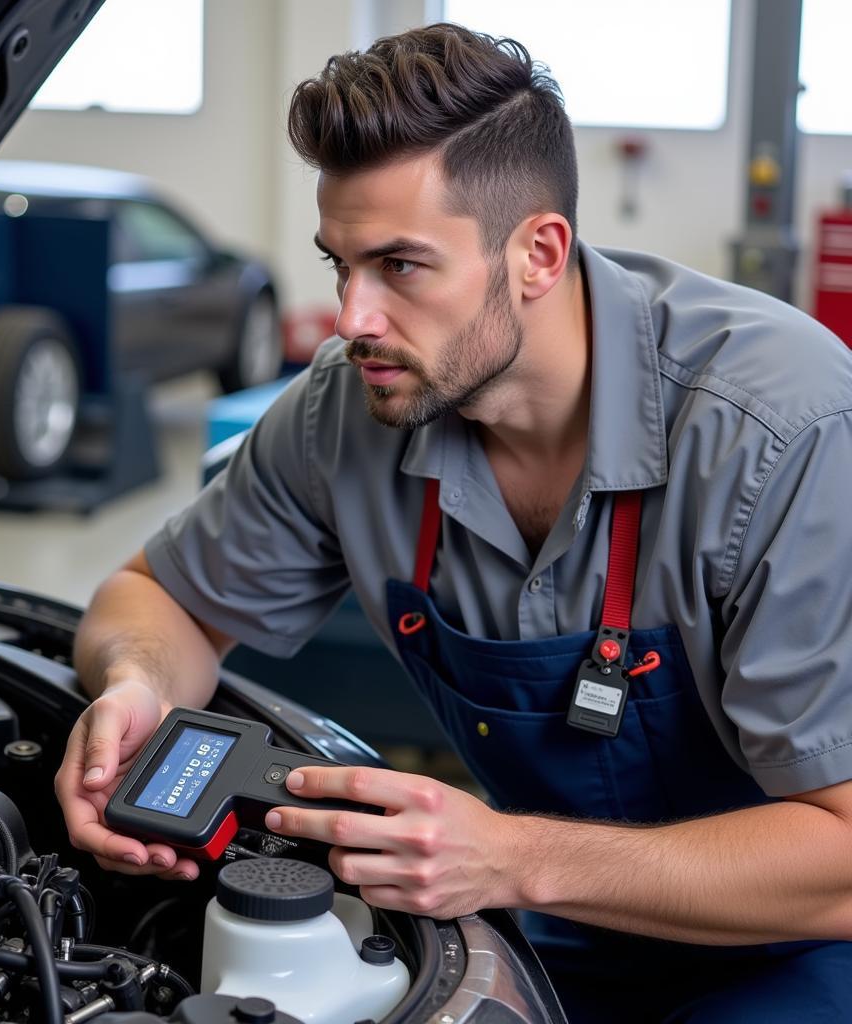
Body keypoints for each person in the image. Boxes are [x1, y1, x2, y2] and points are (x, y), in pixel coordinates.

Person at [55, 22, 852, 1022]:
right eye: (340, 263)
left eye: (399, 266)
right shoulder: (346, 411)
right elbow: (155, 595)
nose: (350, 317)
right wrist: (135, 686)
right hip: (536, 921)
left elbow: (844, 857)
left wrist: (512, 855)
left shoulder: (782, 431)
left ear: (537, 253)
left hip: (786, 947)